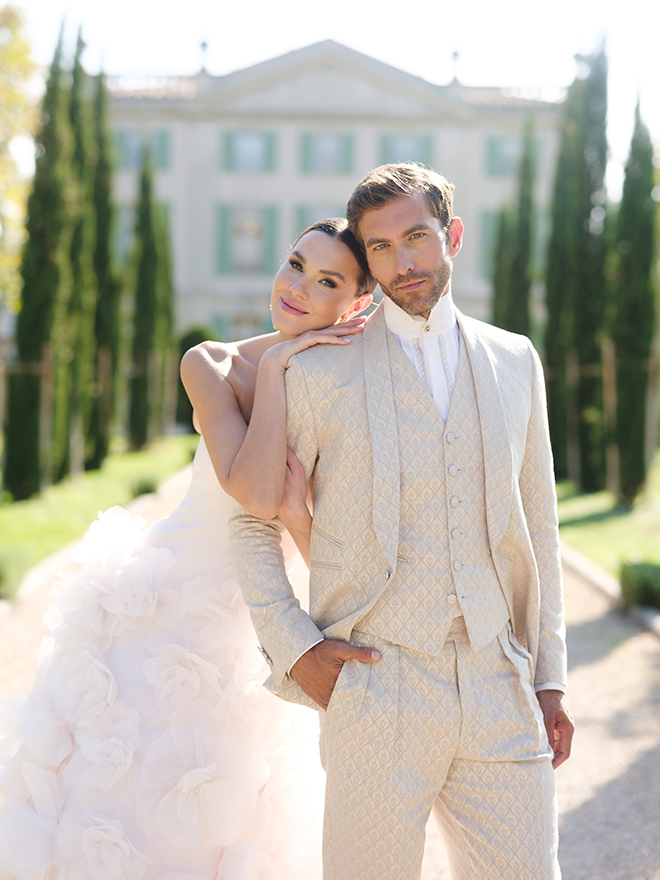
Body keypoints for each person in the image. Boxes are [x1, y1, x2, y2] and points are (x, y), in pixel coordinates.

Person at [229, 163, 575, 880]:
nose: (401, 262)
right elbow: (252, 522)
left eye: (416, 237)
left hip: (498, 681)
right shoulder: (318, 372)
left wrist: (550, 680)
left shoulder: (515, 361)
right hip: (374, 685)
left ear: (452, 235)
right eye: (380, 247)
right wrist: (295, 648)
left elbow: (539, 528)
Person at [0, 219, 375, 880]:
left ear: (357, 306)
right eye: (295, 264)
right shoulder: (212, 363)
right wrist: (279, 365)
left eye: (326, 282)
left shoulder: (354, 389)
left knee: (218, 817)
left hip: (254, 633)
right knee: (117, 805)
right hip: (158, 612)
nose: (296, 287)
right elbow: (255, 490)